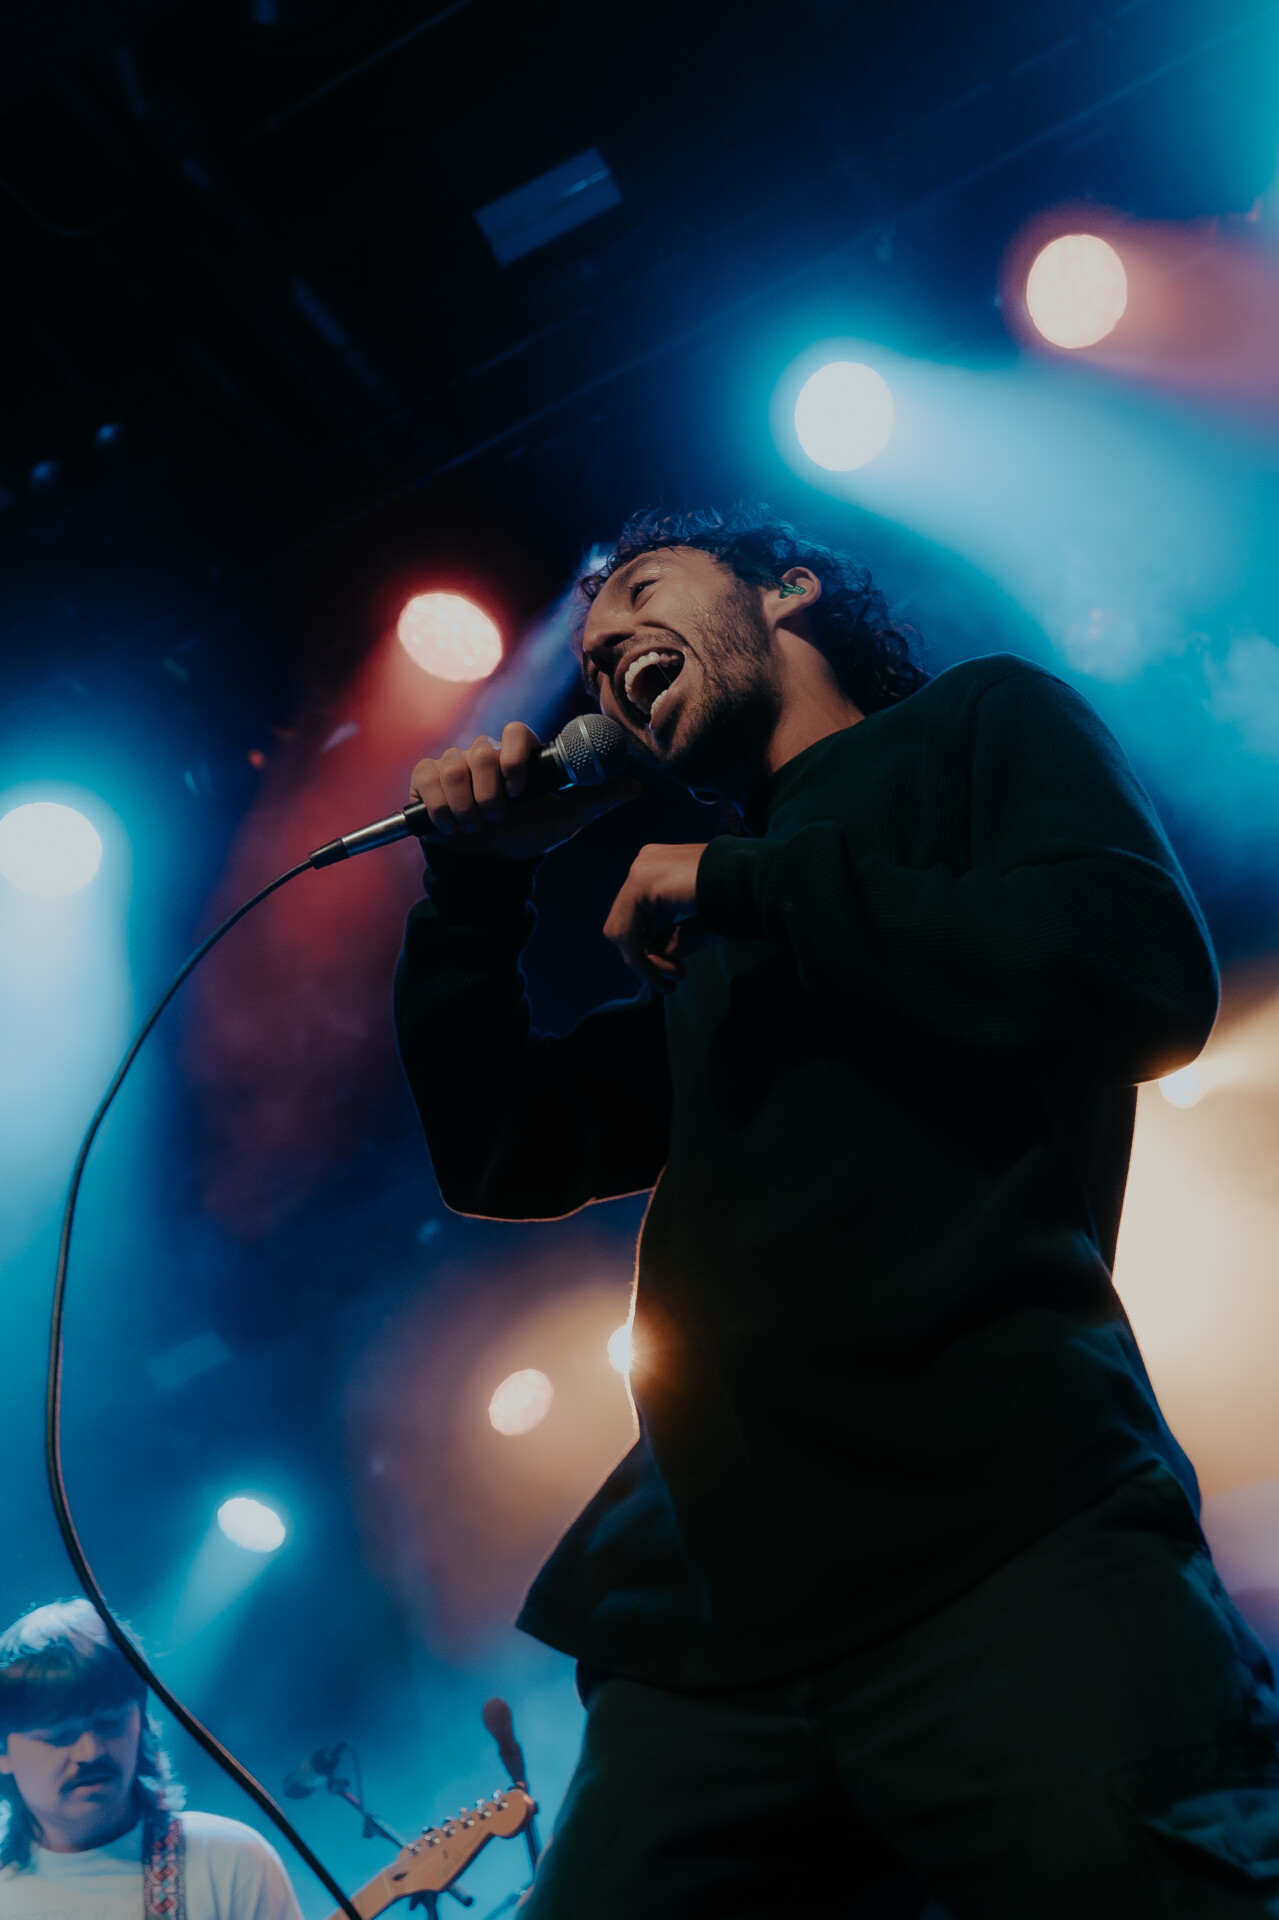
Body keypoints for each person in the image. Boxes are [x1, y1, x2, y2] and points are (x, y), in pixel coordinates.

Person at [393, 508, 1279, 1917]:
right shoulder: (718, 923)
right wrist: (472, 890)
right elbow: (504, 1152)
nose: (607, 649)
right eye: (590, 651)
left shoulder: (975, 725)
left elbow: (1137, 977)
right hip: (708, 1619)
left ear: (787, 591)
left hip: (1009, 1539)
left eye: (642, 592)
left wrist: (745, 879)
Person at [0, 1600, 304, 1920]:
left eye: (111, 1722)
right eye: (59, 1736)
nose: (91, 1751)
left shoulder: (229, 1861)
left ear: (141, 1722)